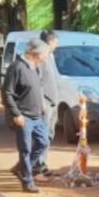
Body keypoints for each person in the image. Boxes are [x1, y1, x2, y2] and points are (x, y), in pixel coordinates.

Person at [3, 39, 50, 193]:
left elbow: (36, 88)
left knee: (43, 142)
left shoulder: (35, 68)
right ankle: (27, 181)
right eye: (44, 54)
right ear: (35, 54)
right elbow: (6, 93)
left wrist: (41, 103)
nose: (45, 58)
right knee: (25, 149)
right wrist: (16, 113)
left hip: (37, 116)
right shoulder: (17, 67)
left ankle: (21, 167)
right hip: (24, 117)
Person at [36, 30, 60, 173]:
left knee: (49, 134)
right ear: (50, 42)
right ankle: (39, 164)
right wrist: (41, 102)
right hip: (45, 103)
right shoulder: (41, 58)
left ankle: (42, 161)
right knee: (42, 135)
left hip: (53, 101)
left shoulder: (50, 57)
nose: (57, 45)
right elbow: (37, 82)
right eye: (56, 42)